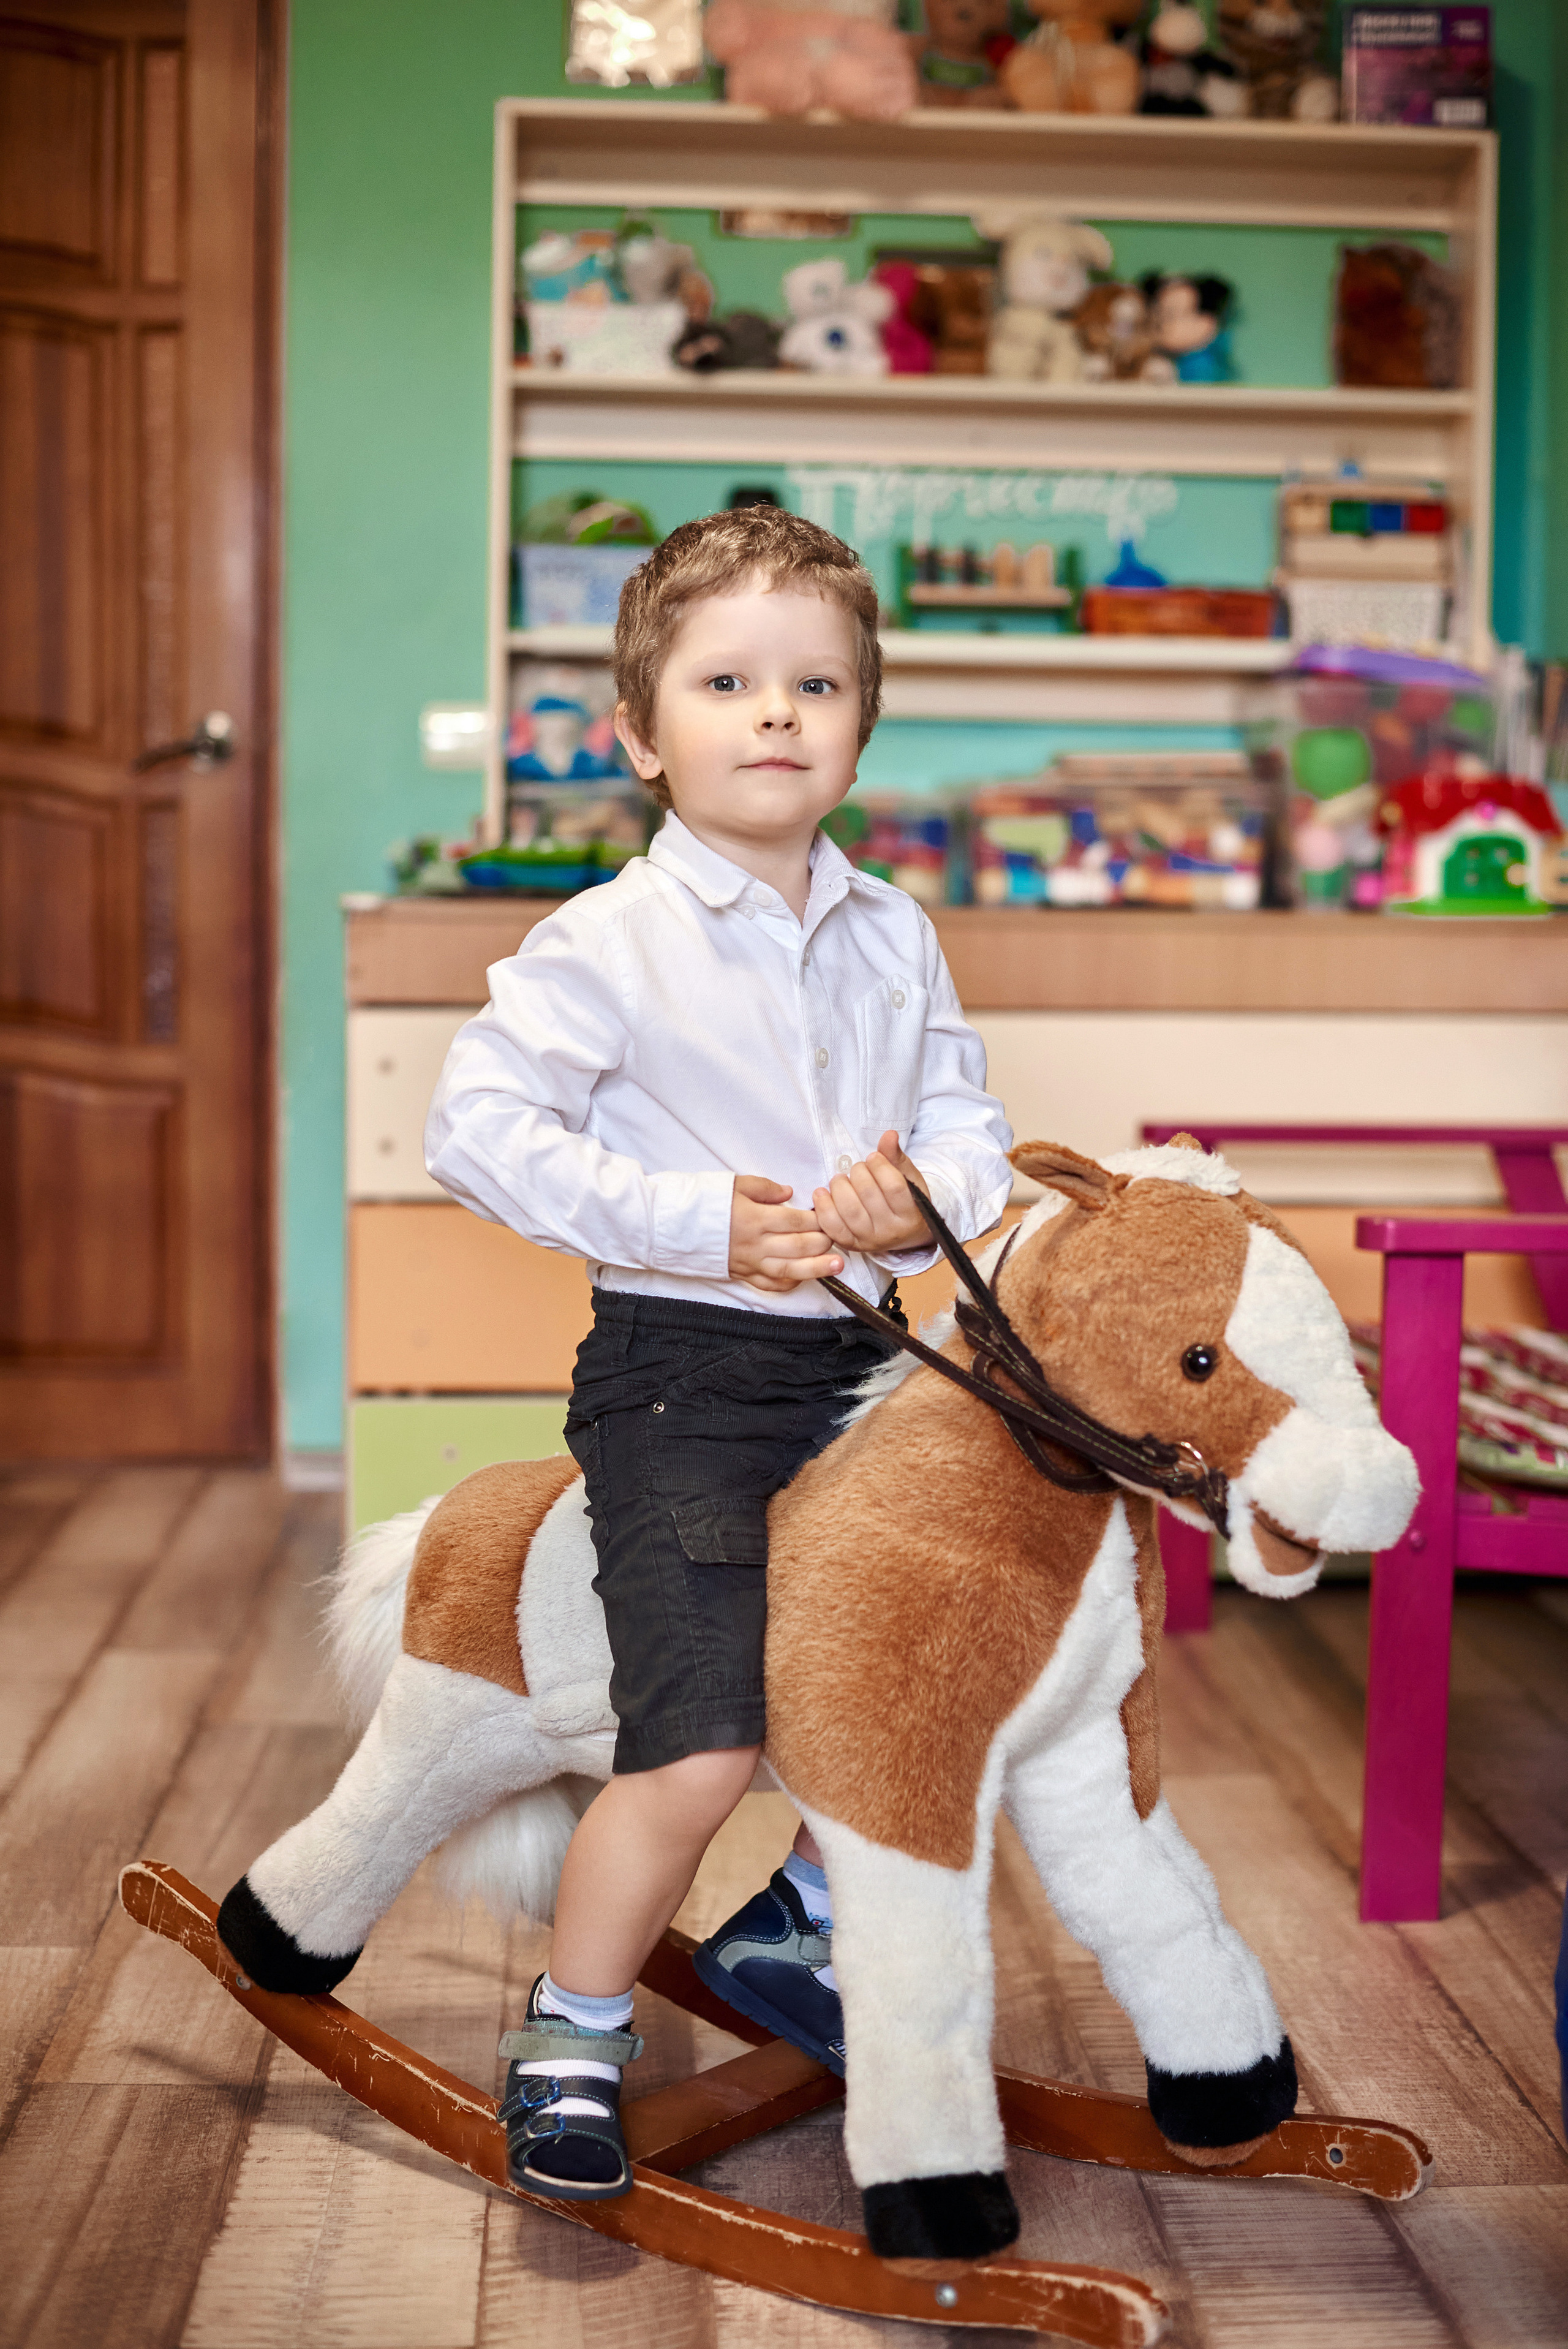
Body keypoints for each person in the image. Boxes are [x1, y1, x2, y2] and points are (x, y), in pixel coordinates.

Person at [425, 504, 1013, 2198]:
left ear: (860, 722)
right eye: (729, 680)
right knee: (702, 1743)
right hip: (682, 1369)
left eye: (815, 681)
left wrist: (925, 1201)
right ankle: (574, 2028)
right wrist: (700, 1218)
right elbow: (478, 1131)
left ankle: (802, 1924)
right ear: (640, 733)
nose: (775, 712)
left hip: (866, 1363)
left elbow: (971, 1118)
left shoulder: (894, 930)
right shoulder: (606, 942)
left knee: (932, 1677)